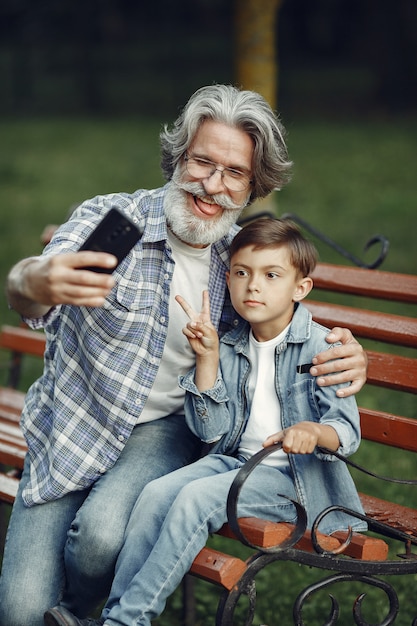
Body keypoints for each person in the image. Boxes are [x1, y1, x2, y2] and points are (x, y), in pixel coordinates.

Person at [0, 84, 367, 626]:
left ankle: (75, 613)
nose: (212, 185)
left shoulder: (236, 258)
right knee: (20, 612)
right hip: (79, 423)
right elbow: (29, 290)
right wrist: (35, 277)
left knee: (100, 538)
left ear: (252, 186)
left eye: (234, 173)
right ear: (178, 157)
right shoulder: (115, 223)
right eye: (201, 161)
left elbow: (287, 322)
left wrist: (348, 352)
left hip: (171, 427)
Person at [44, 217, 366, 626]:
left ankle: (127, 621)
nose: (253, 286)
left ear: (300, 288)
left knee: (195, 500)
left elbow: (347, 432)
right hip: (237, 463)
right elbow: (211, 431)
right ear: (228, 279)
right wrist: (209, 360)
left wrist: (313, 431)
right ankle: (114, 616)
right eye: (242, 273)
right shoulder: (231, 344)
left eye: (271, 275)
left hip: (296, 479)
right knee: (156, 494)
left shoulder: (323, 347)